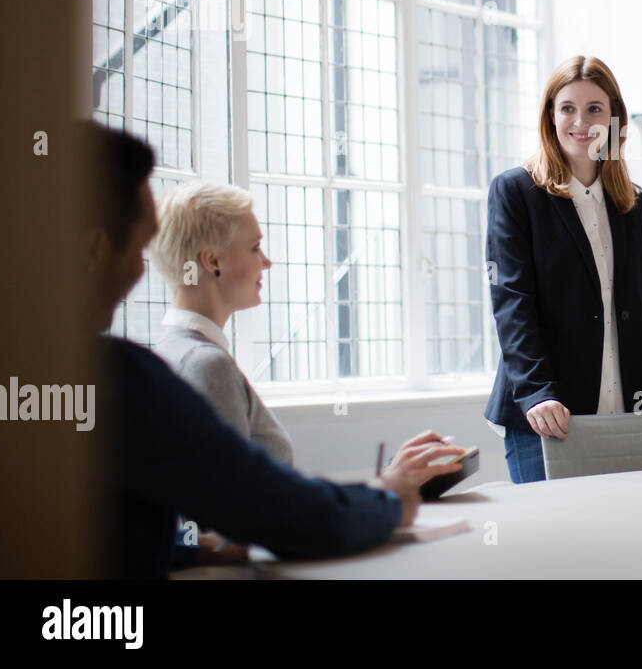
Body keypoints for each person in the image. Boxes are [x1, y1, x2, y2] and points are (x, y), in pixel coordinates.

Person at [81, 122, 467, 577]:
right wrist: (386, 498)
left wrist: (186, 549)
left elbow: (123, 526)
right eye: (256, 246)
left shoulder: (139, 364)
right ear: (212, 261)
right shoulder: (161, 370)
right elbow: (258, 507)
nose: (136, 272)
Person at [483, 56, 642, 483]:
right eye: (567, 107)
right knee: (555, 545)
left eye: (595, 108)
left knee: (622, 542)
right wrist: (536, 393)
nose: (581, 121)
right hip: (548, 415)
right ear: (550, 116)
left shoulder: (633, 203)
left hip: (626, 411)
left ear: (613, 119)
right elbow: (513, 305)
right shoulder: (517, 192)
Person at [150, 180, 291, 465]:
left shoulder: (171, 352)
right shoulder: (207, 366)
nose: (266, 262)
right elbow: (233, 506)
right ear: (213, 261)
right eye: (255, 248)